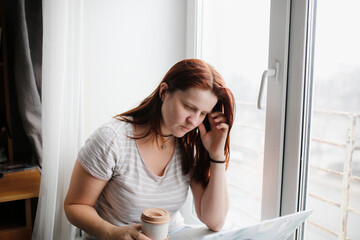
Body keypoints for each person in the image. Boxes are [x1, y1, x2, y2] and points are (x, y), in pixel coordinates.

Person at [64, 59, 235, 240]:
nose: (193, 121)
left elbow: (215, 221)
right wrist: (112, 233)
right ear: (164, 92)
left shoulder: (189, 145)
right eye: (188, 107)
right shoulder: (112, 140)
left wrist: (216, 155)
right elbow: (75, 205)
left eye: (202, 114)